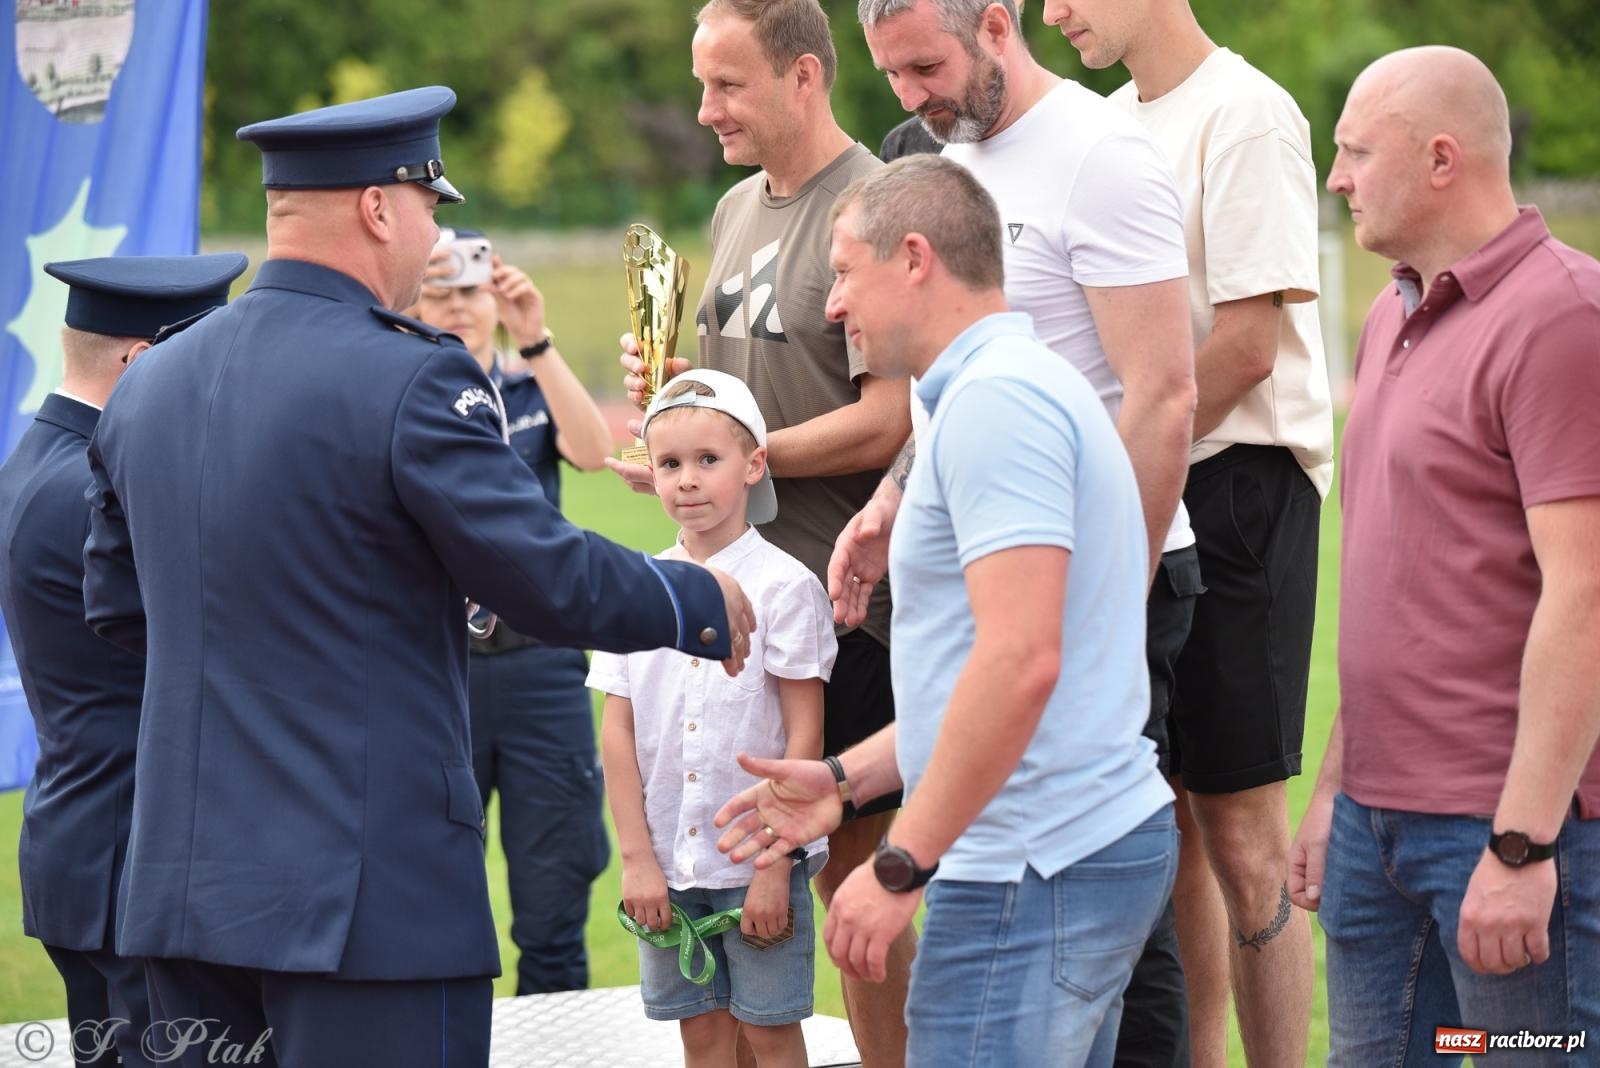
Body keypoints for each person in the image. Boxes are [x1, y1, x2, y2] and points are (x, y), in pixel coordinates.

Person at [81, 87, 754, 1068]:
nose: (434, 232)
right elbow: (541, 575)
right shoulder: (410, 374)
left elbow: (118, 612)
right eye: (432, 206)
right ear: (378, 208)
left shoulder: (149, 382)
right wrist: (699, 600)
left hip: (186, 893)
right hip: (368, 898)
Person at [718, 154, 1177, 1068]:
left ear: (916, 258)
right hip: (1056, 853)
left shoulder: (997, 402)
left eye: (845, 272)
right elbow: (998, 666)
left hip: (1028, 865)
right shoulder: (998, 387)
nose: (833, 304)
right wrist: (849, 780)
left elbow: (1020, 664)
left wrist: (901, 861)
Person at [838, 2, 1196, 1062]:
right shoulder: (987, 369)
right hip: (1046, 792)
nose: (908, 97)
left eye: (924, 65)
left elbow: (1165, 394)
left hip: (1035, 841)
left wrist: (900, 860)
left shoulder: (1097, 154)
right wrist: (850, 784)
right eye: (890, 74)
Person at [607, 2, 915, 1061]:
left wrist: (743, 455)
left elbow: (892, 415)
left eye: (726, 85)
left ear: (802, 77)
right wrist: (676, 424)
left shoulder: (874, 201)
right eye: (701, 84)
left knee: (862, 901)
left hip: (845, 608)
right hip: (725, 617)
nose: (705, 110)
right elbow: (722, 403)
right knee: (730, 891)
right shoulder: (737, 207)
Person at [1290, 46, 1600, 1065]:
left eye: (1352, 151)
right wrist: (1337, 787)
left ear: (1439, 160)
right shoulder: (1391, 311)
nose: (1335, 178)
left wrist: (1522, 845)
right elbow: (1394, 584)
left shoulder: (1563, 317)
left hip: (1507, 833)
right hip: (1374, 831)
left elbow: (1585, 593)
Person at [1041, 0, 1334, 1061]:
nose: (1050, 14)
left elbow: (1250, 345)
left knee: (1244, 836)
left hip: (1235, 487)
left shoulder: (1245, 114)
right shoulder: (1101, 124)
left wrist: (1119, 469)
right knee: (1159, 823)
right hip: (1138, 490)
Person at [0, 253, 247, 1068]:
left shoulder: (47, 458)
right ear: (143, 364)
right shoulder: (91, 484)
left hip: (96, 844)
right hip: (130, 861)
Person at [592, 369, 834, 1068]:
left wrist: (772, 866)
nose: (687, 480)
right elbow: (618, 732)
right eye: (669, 464)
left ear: (753, 464)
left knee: (770, 1031)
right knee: (701, 1034)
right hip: (670, 861)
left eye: (708, 460)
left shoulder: (787, 586)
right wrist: (639, 861)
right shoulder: (637, 587)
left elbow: (804, 739)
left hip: (755, 859)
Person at [411, 229, 615, 995]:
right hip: (440, 676)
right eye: (441, 293)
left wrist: (537, 339)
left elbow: (595, 453)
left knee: (554, 908)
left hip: (540, 672)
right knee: (432, 911)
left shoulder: (529, 386)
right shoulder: (410, 396)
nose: (460, 308)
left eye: (472, 292)